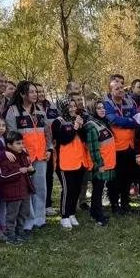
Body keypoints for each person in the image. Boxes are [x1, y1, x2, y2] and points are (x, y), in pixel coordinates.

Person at [5, 81, 52, 230]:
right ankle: (28, 221)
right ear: (22, 94)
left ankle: (40, 219)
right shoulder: (13, 111)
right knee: (26, 190)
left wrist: (49, 149)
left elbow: (47, 132)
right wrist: (20, 153)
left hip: (40, 156)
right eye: (31, 92)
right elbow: (11, 135)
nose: (35, 95)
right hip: (23, 157)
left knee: (40, 188)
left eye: (35, 92)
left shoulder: (39, 110)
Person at [52, 95, 87, 229]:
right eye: (70, 106)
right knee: (68, 189)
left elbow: (83, 138)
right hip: (65, 162)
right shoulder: (58, 122)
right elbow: (64, 139)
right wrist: (75, 127)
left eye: (74, 106)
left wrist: (81, 126)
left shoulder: (76, 120)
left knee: (77, 188)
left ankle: (72, 213)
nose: (72, 109)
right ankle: (64, 216)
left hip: (79, 160)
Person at [104, 79, 138, 214]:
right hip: (117, 147)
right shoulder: (107, 104)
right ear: (111, 91)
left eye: (122, 87)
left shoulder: (129, 102)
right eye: (117, 88)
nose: (120, 90)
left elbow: (137, 120)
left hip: (130, 146)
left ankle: (125, 202)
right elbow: (113, 119)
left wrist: (125, 122)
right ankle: (114, 204)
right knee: (116, 178)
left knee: (128, 177)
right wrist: (129, 121)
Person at [0, 131, 35, 245]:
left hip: (25, 189)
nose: (21, 146)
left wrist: (31, 170)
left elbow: (28, 170)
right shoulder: (4, 158)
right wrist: (18, 171)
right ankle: (10, 235)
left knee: (25, 212)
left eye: (22, 143)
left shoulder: (24, 155)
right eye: (18, 143)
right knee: (12, 215)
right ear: (9, 145)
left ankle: (20, 231)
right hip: (13, 192)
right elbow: (2, 176)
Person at [84, 99, 116, 226]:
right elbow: (93, 148)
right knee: (97, 191)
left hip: (107, 161)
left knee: (99, 188)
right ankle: (98, 217)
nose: (102, 110)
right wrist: (99, 164)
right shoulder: (92, 126)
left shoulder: (103, 122)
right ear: (93, 110)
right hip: (99, 164)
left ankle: (95, 213)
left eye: (103, 107)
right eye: (98, 108)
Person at [36, 83, 58, 217]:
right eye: (38, 92)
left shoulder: (52, 106)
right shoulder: (31, 109)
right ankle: (39, 207)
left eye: (42, 91)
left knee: (49, 176)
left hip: (50, 146)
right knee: (38, 178)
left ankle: (48, 204)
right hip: (38, 147)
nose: (41, 94)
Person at [69, 91, 91, 211]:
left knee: (84, 178)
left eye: (80, 100)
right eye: (77, 100)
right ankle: (71, 202)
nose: (80, 102)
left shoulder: (86, 115)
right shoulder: (67, 116)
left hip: (84, 149)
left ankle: (82, 201)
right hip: (71, 151)